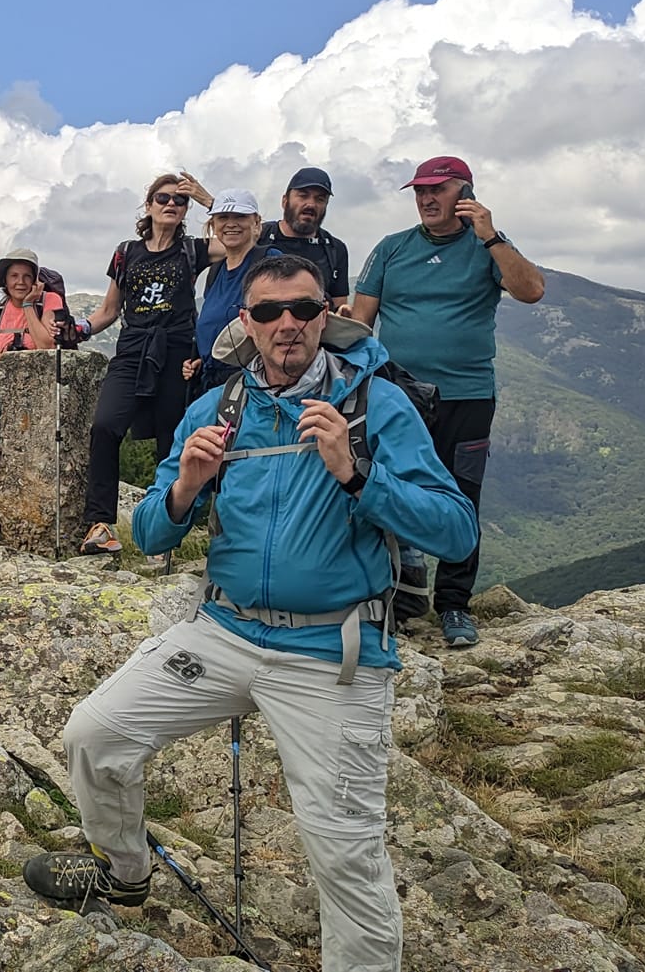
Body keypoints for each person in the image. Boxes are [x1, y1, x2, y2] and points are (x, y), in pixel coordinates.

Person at [24, 255, 477, 971]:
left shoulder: (374, 405)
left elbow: (456, 531)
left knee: (343, 850)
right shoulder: (218, 408)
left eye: (301, 308)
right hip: (225, 630)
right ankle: (124, 868)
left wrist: (357, 473)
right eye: (268, 312)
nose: (286, 324)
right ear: (247, 322)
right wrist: (184, 490)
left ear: (325, 314)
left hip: (334, 649)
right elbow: (145, 533)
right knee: (94, 734)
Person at [350, 156, 545, 649]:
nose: (426, 199)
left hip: (468, 395)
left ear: (466, 194)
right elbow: (360, 323)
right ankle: (397, 591)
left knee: (462, 495)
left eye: (438, 189)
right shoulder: (392, 249)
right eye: (419, 191)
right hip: (397, 397)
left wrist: (492, 237)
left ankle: (455, 605)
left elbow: (532, 291)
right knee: (386, 488)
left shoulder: (488, 248)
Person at [74, 173, 214, 554]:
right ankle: (100, 524)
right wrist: (80, 328)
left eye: (179, 201)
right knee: (105, 426)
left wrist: (206, 198)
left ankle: (166, 531)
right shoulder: (125, 252)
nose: (172, 204)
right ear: (148, 205)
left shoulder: (193, 249)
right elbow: (108, 310)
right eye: (163, 198)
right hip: (133, 348)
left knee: (172, 440)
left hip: (176, 350)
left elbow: (244, 237)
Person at [0, 247, 62, 488]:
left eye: (27, 276)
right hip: (11, 384)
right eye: (14, 276)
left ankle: (4, 473)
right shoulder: (0, 309)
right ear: (5, 279)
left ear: (36, 279)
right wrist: (1, 359)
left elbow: (46, 344)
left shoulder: (50, 301)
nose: (20, 282)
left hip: (43, 385)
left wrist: (27, 306)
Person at [191, 189, 278, 397]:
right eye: (223, 217)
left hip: (254, 383)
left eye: (240, 216)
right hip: (212, 384)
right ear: (214, 225)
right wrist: (200, 359)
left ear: (256, 222)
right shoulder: (215, 271)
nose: (231, 224)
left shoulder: (269, 261)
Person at [258, 166, 352, 308]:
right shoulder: (258, 236)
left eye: (320, 199)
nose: (311, 204)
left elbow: (340, 306)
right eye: (303, 196)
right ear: (284, 201)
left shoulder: (335, 249)